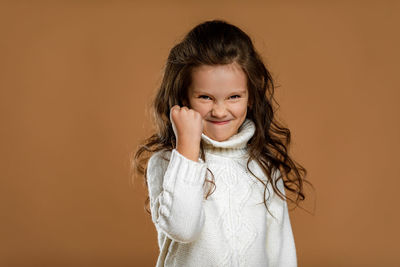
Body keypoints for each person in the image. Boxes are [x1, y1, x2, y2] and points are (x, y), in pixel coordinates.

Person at [133, 19, 309, 267]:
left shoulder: (264, 166)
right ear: (184, 96)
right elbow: (183, 228)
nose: (219, 111)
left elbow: (281, 253)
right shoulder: (167, 162)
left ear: (250, 98)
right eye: (205, 97)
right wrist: (187, 146)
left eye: (234, 97)